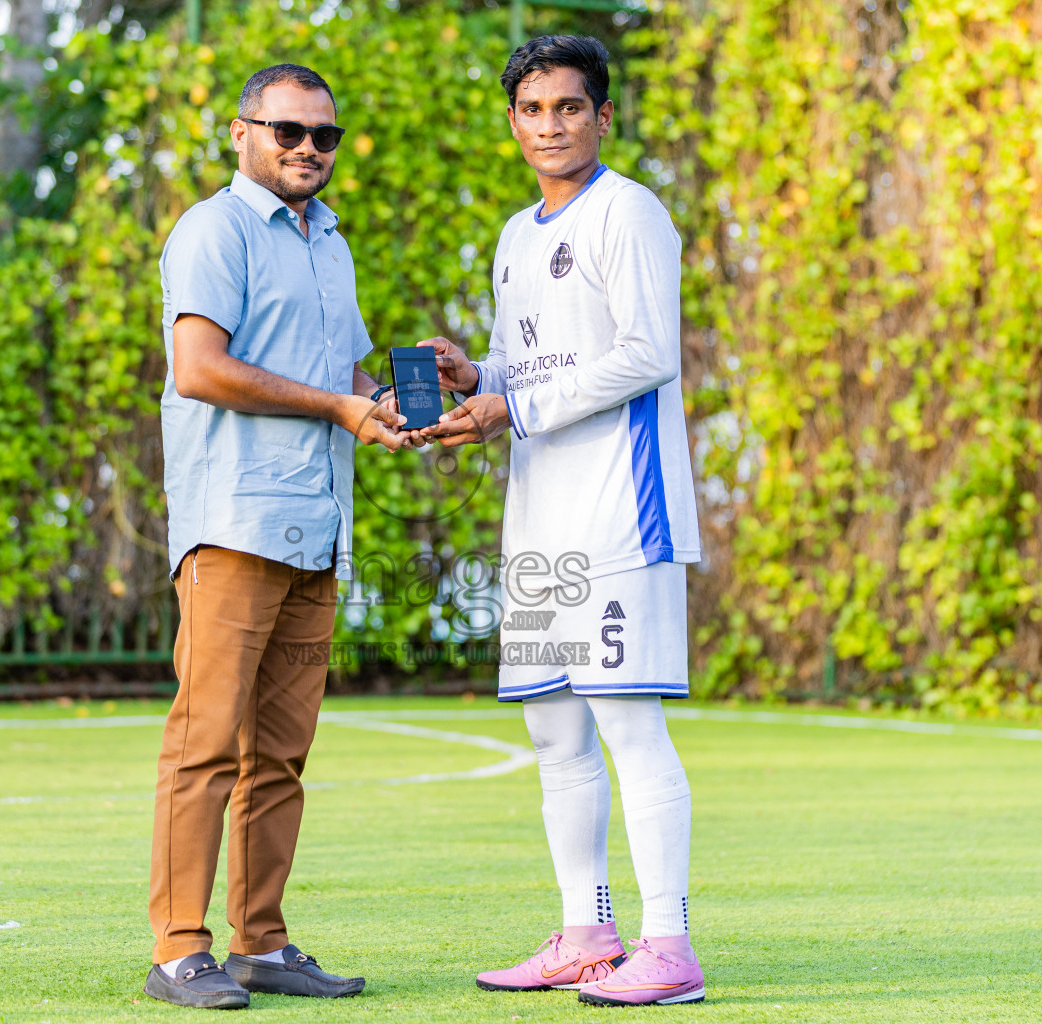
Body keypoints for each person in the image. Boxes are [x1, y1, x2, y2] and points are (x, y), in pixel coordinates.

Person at [418, 35, 705, 1007]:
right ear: (513, 122)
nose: (552, 125)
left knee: (629, 726)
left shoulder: (632, 212)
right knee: (554, 734)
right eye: (534, 110)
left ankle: (668, 945)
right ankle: (588, 933)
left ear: (603, 117)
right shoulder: (513, 236)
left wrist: (514, 405)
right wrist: (475, 382)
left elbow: (648, 352)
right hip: (538, 523)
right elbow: (521, 370)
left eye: (570, 108)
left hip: (620, 514)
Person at [145, 63, 409, 1011]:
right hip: (235, 524)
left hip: (316, 530)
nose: (307, 149)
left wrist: (394, 406)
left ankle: (260, 943)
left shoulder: (328, 241)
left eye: (323, 137)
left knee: (282, 757)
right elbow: (202, 369)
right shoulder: (212, 230)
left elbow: (340, 374)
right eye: (288, 131)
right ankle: (180, 950)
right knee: (206, 745)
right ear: (240, 131)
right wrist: (339, 404)